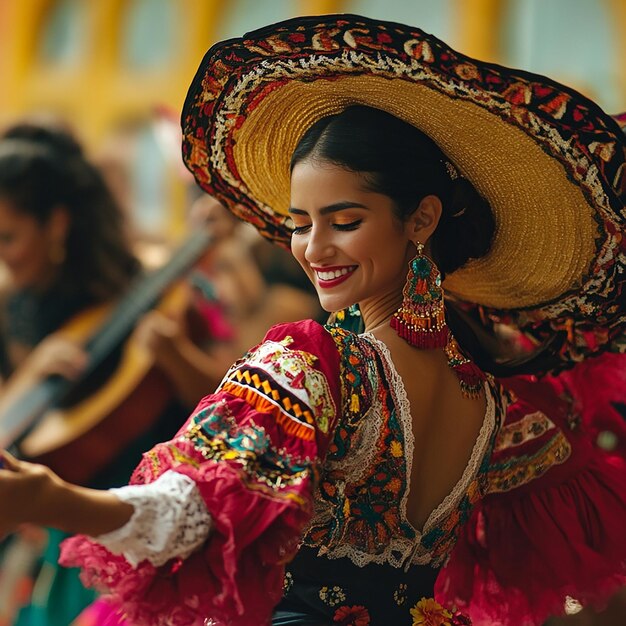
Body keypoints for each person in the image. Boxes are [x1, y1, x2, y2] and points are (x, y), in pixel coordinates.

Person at [1, 14, 625, 626]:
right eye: (301, 224)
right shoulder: (494, 400)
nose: (313, 248)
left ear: (422, 219)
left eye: (344, 222)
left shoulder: (317, 369)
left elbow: (187, 517)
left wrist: (49, 498)